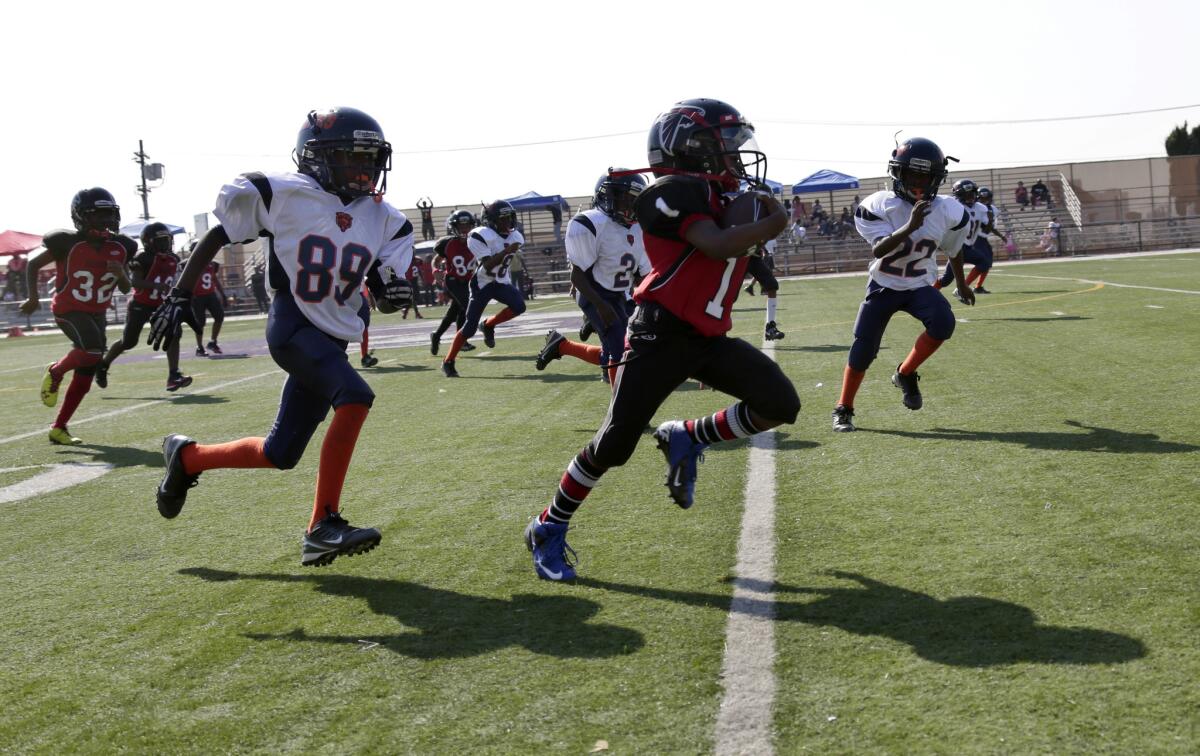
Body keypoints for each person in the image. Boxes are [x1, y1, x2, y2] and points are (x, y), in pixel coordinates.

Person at [523, 98, 799, 581]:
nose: (736, 158)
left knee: (779, 402)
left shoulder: (722, 195)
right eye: (725, 148)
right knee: (614, 445)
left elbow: (734, 255)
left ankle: (688, 436)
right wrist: (772, 224)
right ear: (689, 151)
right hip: (659, 333)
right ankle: (547, 526)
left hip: (708, 336)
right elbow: (713, 244)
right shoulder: (666, 193)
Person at [147, 107, 415, 567]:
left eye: (369, 159)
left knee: (280, 453)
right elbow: (218, 235)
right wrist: (179, 295)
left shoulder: (386, 219)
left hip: (333, 339)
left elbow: (385, 300)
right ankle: (322, 524)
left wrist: (392, 292)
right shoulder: (286, 193)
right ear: (317, 157)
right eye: (351, 158)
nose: (362, 169)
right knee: (354, 395)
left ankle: (187, 458)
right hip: (292, 324)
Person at [830, 137, 974, 433]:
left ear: (937, 179)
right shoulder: (879, 205)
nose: (918, 182)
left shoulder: (949, 210)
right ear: (897, 173)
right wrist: (910, 225)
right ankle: (844, 407)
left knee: (944, 322)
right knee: (863, 349)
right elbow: (879, 249)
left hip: (919, 285)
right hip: (884, 285)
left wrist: (961, 285)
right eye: (912, 175)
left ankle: (905, 373)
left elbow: (954, 250)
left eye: (925, 176)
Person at [19, 188, 135, 445]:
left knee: (87, 367)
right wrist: (34, 297)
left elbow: (127, 288)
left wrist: (121, 274)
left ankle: (59, 428)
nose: (106, 220)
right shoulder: (66, 242)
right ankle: (57, 371)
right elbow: (33, 264)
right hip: (68, 309)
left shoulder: (122, 246)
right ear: (81, 217)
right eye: (98, 215)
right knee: (93, 350)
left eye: (109, 214)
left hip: (97, 312)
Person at [536, 170, 650, 384]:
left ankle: (561, 346)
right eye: (624, 198)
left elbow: (641, 275)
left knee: (621, 347)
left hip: (619, 294)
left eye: (633, 200)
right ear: (607, 196)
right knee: (620, 349)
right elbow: (577, 276)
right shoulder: (592, 223)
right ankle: (621, 411)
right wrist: (599, 305)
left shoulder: (638, 229)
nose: (629, 205)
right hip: (594, 293)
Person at [95, 222, 194, 392]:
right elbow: (135, 282)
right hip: (141, 304)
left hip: (161, 304)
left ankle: (174, 375)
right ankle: (103, 365)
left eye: (167, 240)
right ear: (149, 242)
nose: (166, 244)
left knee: (174, 333)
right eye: (161, 240)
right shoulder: (142, 258)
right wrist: (155, 286)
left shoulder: (173, 258)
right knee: (129, 342)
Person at [439, 200, 526, 378]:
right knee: (469, 328)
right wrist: (507, 250)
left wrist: (509, 248)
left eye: (510, 218)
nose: (508, 222)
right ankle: (448, 361)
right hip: (483, 284)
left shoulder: (515, 236)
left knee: (519, 306)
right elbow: (487, 266)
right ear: (492, 221)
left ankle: (487, 325)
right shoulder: (480, 235)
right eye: (503, 219)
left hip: (501, 282)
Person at [429, 210, 478, 356]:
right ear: (454, 227)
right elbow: (436, 260)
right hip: (452, 280)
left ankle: (436, 335)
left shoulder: (476, 241)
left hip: (467, 281)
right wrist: (435, 270)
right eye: (461, 226)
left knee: (454, 312)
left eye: (467, 226)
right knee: (467, 305)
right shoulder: (447, 243)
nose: (464, 229)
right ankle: (461, 340)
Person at [742, 235, 786, 341]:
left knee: (772, 285)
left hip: (753, 256)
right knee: (728, 292)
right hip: (736, 256)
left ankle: (770, 327)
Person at [191, 255, 226, 355]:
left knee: (219, 316)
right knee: (200, 323)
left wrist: (222, 294)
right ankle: (199, 347)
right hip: (197, 296)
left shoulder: (212, 263)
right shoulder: (192, 264)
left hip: (210, 295)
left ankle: (213, 342)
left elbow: (214, 279)